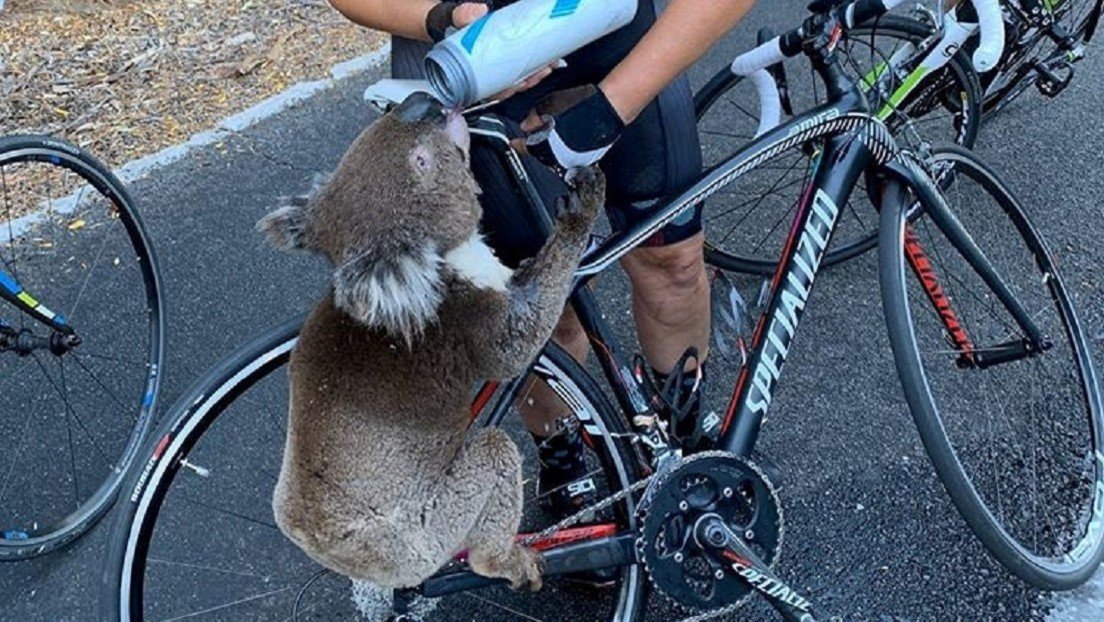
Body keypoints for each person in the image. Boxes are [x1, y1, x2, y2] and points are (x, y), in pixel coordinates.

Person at [328, 0, 755, 519]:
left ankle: (684, 427)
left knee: (675, 261)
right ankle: (564, 456)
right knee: (546, 301)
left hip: (610, 24)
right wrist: (442, 18)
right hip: (467, 47)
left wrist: (610, 109)